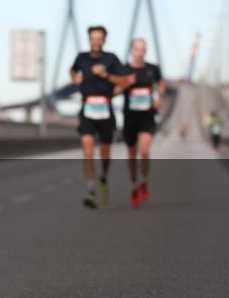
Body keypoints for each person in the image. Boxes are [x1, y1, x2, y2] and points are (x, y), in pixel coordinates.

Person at [70, 26, 134, 209]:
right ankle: (90, 190)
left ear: (104, 40)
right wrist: (75, 77)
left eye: (99, 38)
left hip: (105, 110)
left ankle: (103, 176)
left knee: (105, 154)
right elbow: (72, 70)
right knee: (88, 150)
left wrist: (106, 75)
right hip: (87, 109)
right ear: (89, 39)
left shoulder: (111, 59)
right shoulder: (82, 58)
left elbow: (126, 81)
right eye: (93, 38)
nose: (96, 41)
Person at [121, 38, 165, 209]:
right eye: (138, 49)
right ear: (132, 51)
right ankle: (134, 186)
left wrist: (159, 98)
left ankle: (144, 181)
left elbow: (161, 84)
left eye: (143, 49)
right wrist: (125, 83)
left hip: (147, 117)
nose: (141, 52)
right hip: (129, 118)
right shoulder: (123, 70)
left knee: (144, 152)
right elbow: (114, 90)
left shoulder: (152, 69)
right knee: (132, 156)